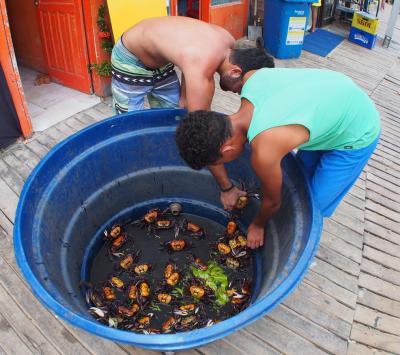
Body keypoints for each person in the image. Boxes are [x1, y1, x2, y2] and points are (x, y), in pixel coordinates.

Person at [175, 68, 380, 249]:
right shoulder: (251, 79)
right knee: (301, 183)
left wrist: (257, 225)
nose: (222, 164)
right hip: (334, 96)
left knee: (313, 204)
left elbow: (273, 202)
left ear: (227, 149)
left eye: (220, 162)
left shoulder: (265, 149)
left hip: (356, 130)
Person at [111, 16, 274, 114]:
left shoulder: (227, 41)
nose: (237, 92)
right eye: (241, 88)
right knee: (127, 120)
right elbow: (198, 122)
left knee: (173, 112)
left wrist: (184, 97)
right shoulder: (202, 64)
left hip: (162, 62)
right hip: (130, 58)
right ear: (235, 71)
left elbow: (188, 58)